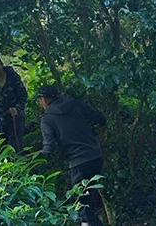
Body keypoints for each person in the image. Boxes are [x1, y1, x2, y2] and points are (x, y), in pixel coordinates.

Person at [37, 85, 107, 226]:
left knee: (79, 207)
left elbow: (49, 148)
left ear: (43, 99)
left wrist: (35, 158)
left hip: (79, 163)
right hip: (96, 157)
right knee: (84, 205)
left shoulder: (47, 118)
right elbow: (100, 119)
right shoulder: (75, 103)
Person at [0, 55, 28, 152]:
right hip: (1, 117)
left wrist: (17, 108)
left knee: (15, 145)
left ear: (2, 65)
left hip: (16, 115)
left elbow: (23, 95)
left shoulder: (12, 76)